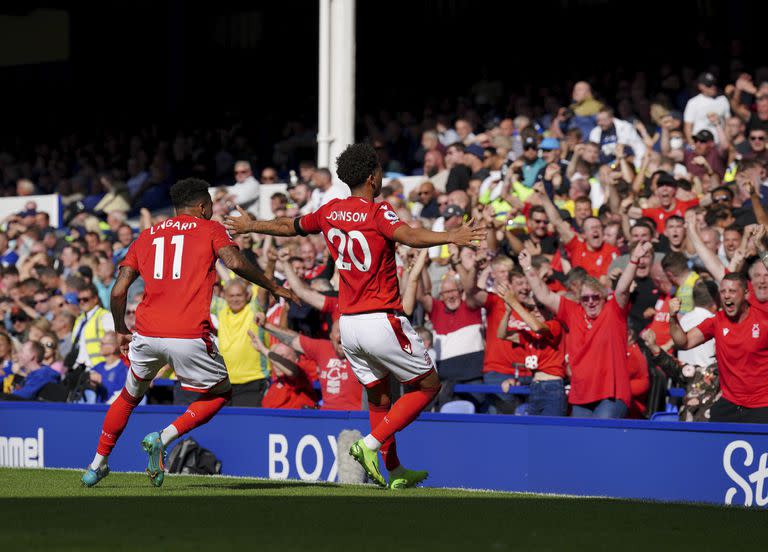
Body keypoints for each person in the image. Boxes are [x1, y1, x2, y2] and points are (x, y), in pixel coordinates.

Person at [224, 142, 484, 489]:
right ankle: (369, 444)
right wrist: (451, 235)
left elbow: (290, 226)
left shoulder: (330, 210)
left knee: (379, 397)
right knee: (428, 386)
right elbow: (407, 234)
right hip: (381, 319)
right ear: (374, 178)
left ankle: (394, 470)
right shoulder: (378, 213)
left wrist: (251, 225)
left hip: (348, 325)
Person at [81, 177, 297, 488]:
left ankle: (97, 464)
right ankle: (164, 436)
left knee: (130, 395)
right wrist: (274, 286)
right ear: (201, 206)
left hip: (146, 334)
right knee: (221, 393)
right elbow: (235, 261)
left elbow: (117, 292)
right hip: (188, 333)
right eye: (209, 205)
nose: (211, 210)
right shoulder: (210, 229)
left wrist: (120, 330)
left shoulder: (145, 236)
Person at [521, 241, 652, 418]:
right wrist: (528, 267)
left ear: (603, 297)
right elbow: (544, 295)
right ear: (579, 299)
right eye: (585, 298)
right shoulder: (572, 311)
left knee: (601, 439)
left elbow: (621, 289)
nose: (590, 301)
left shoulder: (613, 311)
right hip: (581, 395)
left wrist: (634, 260)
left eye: (595, 297)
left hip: (611, 395)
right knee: (581, 443)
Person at [670, 273, 768, 423]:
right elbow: (684, 342)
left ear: (747, 294)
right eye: (723, 292)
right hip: (730, 403)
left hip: (762, 405)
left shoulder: (763, 321)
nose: (727, 296)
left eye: (732, 291)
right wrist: (672, 317)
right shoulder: (717, 321)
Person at [259, 320, 364, 411]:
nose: (279, 362)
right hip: (327, 417)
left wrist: (264, 350)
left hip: (354, 418)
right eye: (338, 331)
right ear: (330, 335)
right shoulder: (322, 348)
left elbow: (292, 370)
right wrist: (265, 325)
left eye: (283, 357)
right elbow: (294, 339)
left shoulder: (363, 352)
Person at [496, 283, 566, 416]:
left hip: (552, 386)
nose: (536, 311)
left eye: (540, 307)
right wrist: (508, 312)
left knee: (551, 431)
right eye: (531, 308)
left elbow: (537, 327)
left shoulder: (555, 325)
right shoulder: (530, 334)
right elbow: (501, 334)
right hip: (535, 386)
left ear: (549, 309)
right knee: (534, 431)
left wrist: (513, 301)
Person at [212, 279, 271, 407]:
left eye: (239, 295)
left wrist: (271, 263)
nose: (235, 299)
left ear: (248, 296)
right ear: (224, 296)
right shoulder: (222, 309)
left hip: (253, 381)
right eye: (231, 296)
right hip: (224, 383)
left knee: (247, 425)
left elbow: (263, 290)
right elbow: (200, 295)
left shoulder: (254, 309)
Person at [70, 284, 115, 369]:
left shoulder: (105, 316)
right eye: (79, 300)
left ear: (95, 299)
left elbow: (114, 341)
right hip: (79, 367)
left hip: (98, 366)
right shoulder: (80, 320)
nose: (81, 302)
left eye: (85, 299)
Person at [88, 332, 129, 403]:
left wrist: (101, 381)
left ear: (113, 348)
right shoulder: (99, 366)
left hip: (111, 409)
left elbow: (120, 395)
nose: (99, 345)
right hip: (96, 409)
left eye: (103, 343)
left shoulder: (122, 369)